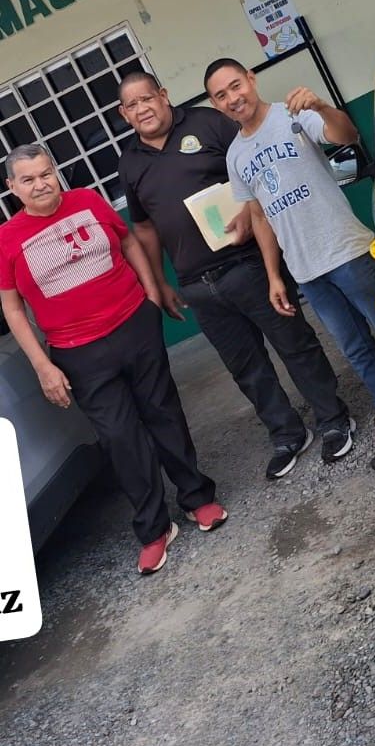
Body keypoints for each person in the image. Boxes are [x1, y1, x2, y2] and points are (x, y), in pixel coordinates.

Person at [0, 144, 225, 576]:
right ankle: (154, 529)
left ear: (56, 171)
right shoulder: (8, 240)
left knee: (163, 413)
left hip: (132, 326)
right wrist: (43, 366)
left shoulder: (87, 200)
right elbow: (12, 309)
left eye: (46, 173)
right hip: (78, 352)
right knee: (121, 437)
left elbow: (126, 240)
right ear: (12, 187)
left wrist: (151, 290)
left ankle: (198, 498)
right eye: (28, 179)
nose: (40, 184)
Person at [117, 71, 356, 477]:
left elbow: (252, 159)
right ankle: (286, 434)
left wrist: (249, 210)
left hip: (247, 263)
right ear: (124, 115)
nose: (143, 109)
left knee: (294, 343)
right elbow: (143, 228)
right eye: (132, 106)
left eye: (147, 98)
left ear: (163, 95)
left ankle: (333, 419)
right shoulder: (130, 163)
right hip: (197, 284)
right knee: (246, 366)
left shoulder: (207, 122)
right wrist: (158, 282)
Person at [203, 59, 375, 473]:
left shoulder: (294, 112)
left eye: (237, 85)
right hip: (306, 270)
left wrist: (321, 107)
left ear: (251, 79)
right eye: (222, 95)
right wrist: (273, 275)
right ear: (216, 105)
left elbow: (346, 134)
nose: (233, 98)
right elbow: (260, 215)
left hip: (347, 250)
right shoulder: (235, 156)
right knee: (357, 351)